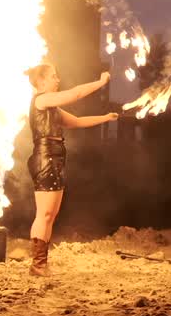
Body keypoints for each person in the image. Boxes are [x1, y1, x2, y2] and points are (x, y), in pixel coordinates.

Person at [25, 64, 118, 276]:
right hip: (45, 157)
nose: (57, 80)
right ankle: (37, 266)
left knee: (50, 215)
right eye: (53, 77)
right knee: (44, 213)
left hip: (54, 158)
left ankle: (41, 264)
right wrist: (101, 82)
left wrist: (105, 118)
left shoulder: (52, 109)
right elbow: (75, 93)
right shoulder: (41, 99)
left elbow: (77, 122)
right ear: (41, 82)